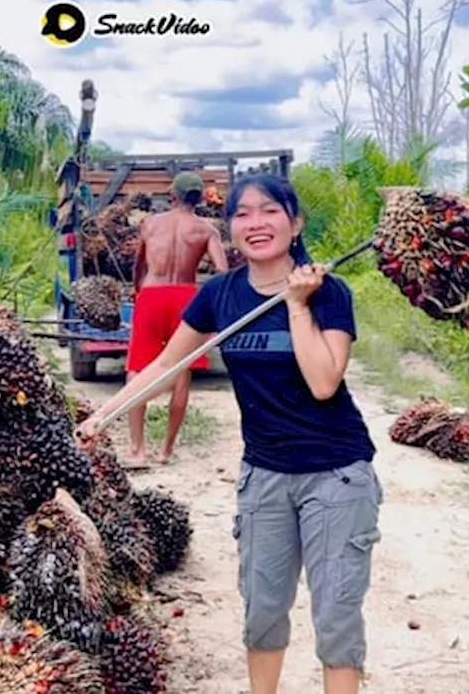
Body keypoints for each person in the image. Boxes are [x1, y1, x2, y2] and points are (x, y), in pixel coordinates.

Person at [77, 173, 381, 694]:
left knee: (336, 618)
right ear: (230, 226)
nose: (256, 223)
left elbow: (325, 382)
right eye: (243, 213)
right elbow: (168, 365)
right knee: (262, 611)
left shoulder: (328, 292)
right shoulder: (219, 294)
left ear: (295, 221)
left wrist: (297, 305)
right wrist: (102, 417)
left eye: (270, 211)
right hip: (263, 477)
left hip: (336, 476)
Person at [123, 171, 228, 468]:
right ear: (199, 198)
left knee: (137, 369)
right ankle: (166, 451)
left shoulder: (150, 223)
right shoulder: (206, 230)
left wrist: (137, 292)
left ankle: (137, 449)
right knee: (181, 371)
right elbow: (221, 270)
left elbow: (139, 265)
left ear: (173, 195)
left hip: (152, 294)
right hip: (186, 297)